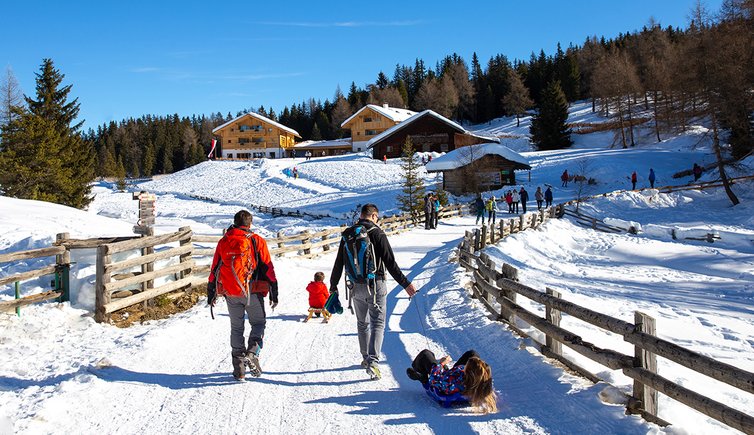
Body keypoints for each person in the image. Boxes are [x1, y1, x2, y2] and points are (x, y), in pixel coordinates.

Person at [330, 204, 418, 380]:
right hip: (376, 285)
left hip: (355, 286)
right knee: (378, 323)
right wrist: (406, 284)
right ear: (374, 216)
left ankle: (365, 358)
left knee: (362, 323)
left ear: (361, 215)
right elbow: (390, 263)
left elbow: (339, 262)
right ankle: (373, 362)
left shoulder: (348, 234)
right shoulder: (377, 233)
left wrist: (333, 286)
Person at [207, 210, 278, 380]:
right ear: (250, 224)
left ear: (235, 222)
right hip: (252, 291)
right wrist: (274, 291)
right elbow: (268, 268)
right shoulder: (256, 240)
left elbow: (215, 267)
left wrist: (211, 292)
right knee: (259, 323)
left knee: (237, 328)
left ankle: (239, 370)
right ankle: (253, 353)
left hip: (231, 292)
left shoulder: (224, 241)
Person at [406, 349, 497, 414]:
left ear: (468, 370)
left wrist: (441, 364)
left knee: (425, 354)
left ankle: (421, 376)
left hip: (447, 379)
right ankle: (448, 369)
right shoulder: (483, 381)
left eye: (466, 366)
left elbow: (435, 380)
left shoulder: (454, 382)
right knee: (472, 353)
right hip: (458, 377)